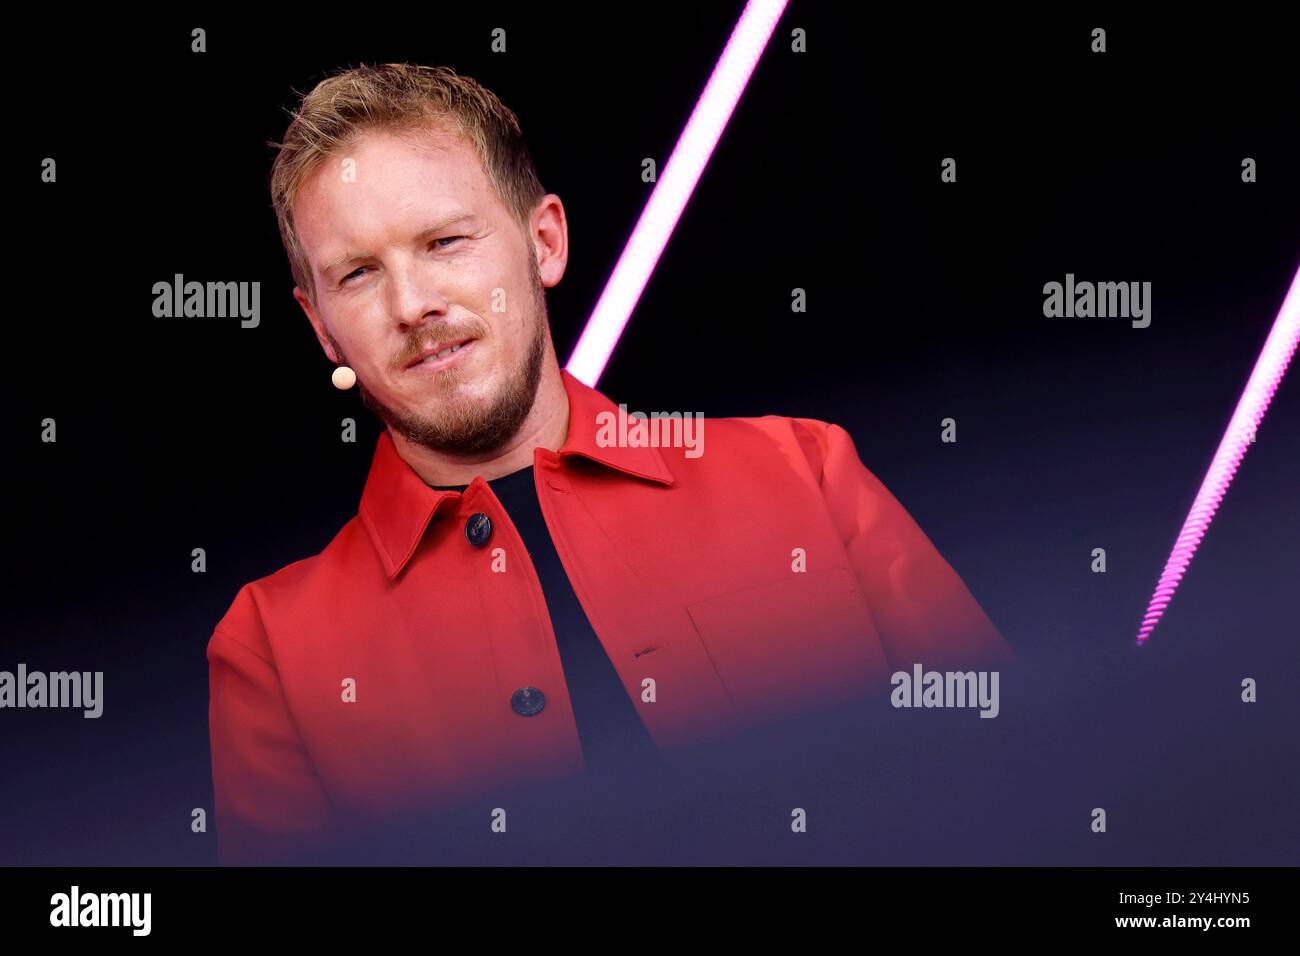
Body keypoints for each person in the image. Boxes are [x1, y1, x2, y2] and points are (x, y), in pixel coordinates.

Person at [207, 62, 1014, 865]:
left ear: (545, 241)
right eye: (358, 274)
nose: (412, 304)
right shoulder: (270, 648)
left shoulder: (802, 467)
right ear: (321, 330)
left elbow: (1016, 777)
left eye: (445, 242)